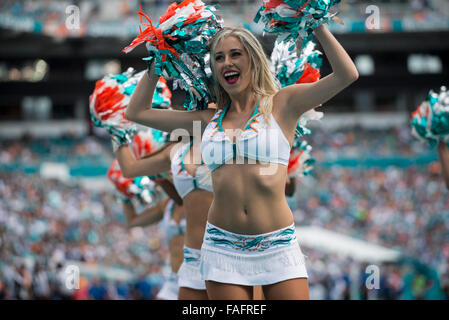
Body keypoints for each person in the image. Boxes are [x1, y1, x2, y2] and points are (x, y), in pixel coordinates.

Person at [125, 23, 358, 299]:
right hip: (223, 250)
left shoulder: (284, 103)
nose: (227, 63)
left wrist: (315, 21)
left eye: (236, 54)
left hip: (277, 245)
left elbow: (346, 75)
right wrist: (158, 59)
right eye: (219, 58)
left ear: (253, 58)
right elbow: (137, 112)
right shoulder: (206, 120)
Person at [115, 134, 213, 300]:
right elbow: (133, 221)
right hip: (175, 278)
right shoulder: (166, 205)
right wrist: (124, 196)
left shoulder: (202, 195)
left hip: (203, 275)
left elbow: (178, 193)